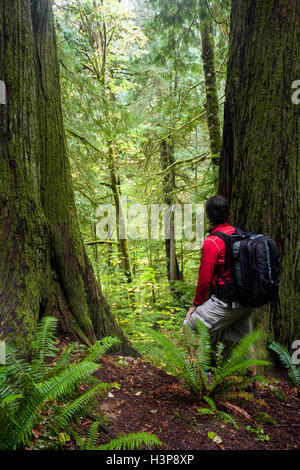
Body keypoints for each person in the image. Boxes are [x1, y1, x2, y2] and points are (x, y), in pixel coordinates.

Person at [183, 195, 256, 376]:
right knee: (245, 342)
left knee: (190, 328)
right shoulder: (239, 234)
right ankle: (253, 385)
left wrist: (196, 304)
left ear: (209, 215)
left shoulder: (213, 241)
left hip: (226, 302)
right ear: (227, 213)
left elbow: (205, 280)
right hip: (245, 301)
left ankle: (203, 378)